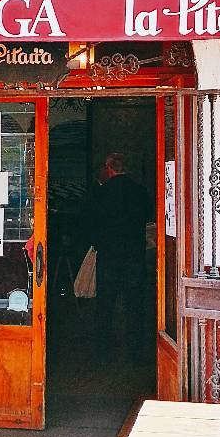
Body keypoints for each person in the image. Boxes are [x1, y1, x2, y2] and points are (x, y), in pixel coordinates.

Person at [87, 152, 152, 363]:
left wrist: (99, 244)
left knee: (105, 304)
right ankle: (136, 352)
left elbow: (92, 224)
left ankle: (103, 351)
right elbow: (148, 218)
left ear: (109, 168)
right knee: (135, 304)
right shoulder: (140, 192)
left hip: (109, 256)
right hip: (134, 255)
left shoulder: (101, 193)